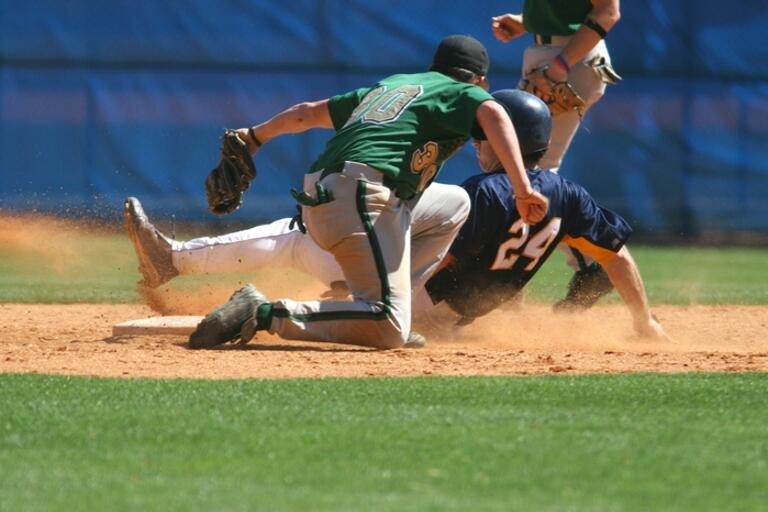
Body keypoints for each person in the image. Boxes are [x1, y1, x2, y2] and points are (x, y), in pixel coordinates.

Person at [126, 89, 668, 343]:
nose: (479, 146)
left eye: (482, 139)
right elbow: (616, 257)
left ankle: (176, 261)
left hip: (415, 300)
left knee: (300, 238)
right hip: (454, 321)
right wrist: (644, 320)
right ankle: (180, 263)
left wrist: (373, 277)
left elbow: (442, 251)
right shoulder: (571, 195)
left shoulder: (484, 190)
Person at [183, 35, 548, 349]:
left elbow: (306, 113)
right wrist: (522, 188)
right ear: (479, 79)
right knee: (389, 329)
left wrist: (256, 136)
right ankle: (263, 312)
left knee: (454, 204)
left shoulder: (393, 86)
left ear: (435, 66)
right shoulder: (466, 93)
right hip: (362, 197)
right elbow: (496, 115)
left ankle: (389, 299)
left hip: (330, 196)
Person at [491, 1, 622, 310]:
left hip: (567, 62)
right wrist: (529, 21)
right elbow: (569, 11)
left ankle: (588, 265)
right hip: (552, 56)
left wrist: (560, 66)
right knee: (521, 169)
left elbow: (607, 10)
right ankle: (590, 265)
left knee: (529, 171)